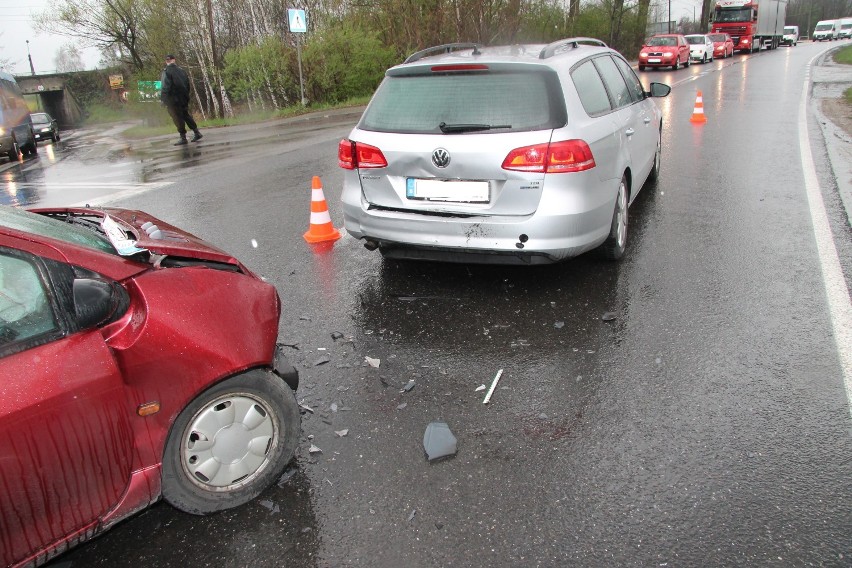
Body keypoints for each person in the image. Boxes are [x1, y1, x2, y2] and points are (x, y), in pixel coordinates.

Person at [160, 54, 202, 145]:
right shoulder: (182, 71)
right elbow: (187, 85)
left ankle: (183, 137)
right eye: (167, 60)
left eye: (169, 60)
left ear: (174, 60)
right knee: (186, 115)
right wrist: (186, 95)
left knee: (177, 117)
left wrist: (163, 99)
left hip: (173, 99)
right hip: (183, 98)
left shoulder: (166, 71)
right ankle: (196, 132)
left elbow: (165, 86)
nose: (168, 61)